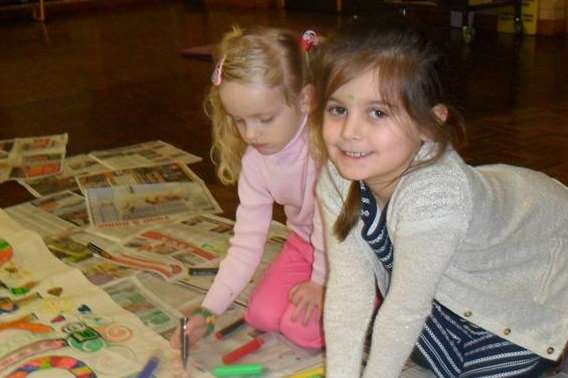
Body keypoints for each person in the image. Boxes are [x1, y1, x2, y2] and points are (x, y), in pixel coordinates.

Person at [310, 19, 568, 377]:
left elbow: (405, 308)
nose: (350, 132)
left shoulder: (437, 195)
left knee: (484, 348)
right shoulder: (339, 175)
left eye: (378, 113)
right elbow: (349, 288)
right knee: (414, 344)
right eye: (338, 109)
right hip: (455, 283)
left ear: (430, 124)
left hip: (533, 264)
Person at [170, 26, 326, 351]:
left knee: (300, 330)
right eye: (239, 121)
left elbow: (341, 229)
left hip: (353, 252)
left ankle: (377, 297)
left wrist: (322, 282)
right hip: (304, 244)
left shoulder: (326, 150)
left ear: (305, 99)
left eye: (264, 119)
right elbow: (246, 244)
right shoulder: (256, 160)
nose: (250, 134)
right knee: (262, 316)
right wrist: (208, 311)